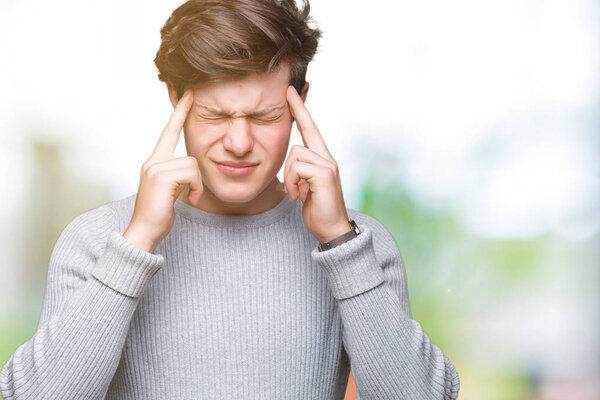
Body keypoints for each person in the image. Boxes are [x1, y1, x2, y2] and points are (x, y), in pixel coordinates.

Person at [0, 0, 460, 398]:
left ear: (300, 102)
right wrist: (136, 243)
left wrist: (341, 244)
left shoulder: (359, 246)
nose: (238, 142)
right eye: (214, 115)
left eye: (265, 116)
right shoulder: (98, 239)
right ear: (176, 98)